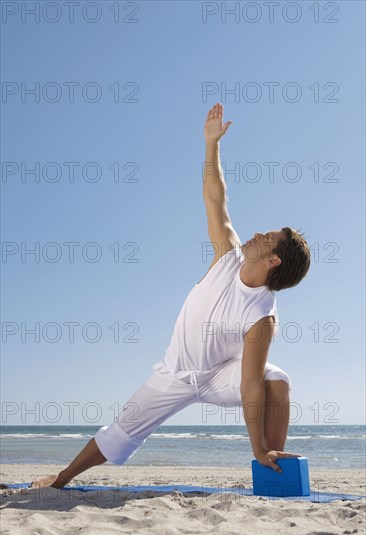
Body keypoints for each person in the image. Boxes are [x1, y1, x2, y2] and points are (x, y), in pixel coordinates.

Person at [31, 103, 310, 489]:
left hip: (218, 379)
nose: (259, 233)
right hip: (175, 374)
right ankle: (60, 479)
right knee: (118, 432)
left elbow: (249, 385)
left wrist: (256, 446)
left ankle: (269, 464)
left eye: (269, 238)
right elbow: (216, 198)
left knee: (276, 379)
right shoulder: (227, 256)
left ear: (275, 259)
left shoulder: (262, 316)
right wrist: (211, 144)